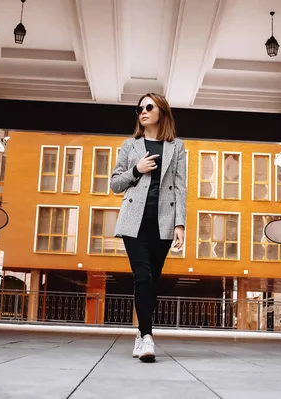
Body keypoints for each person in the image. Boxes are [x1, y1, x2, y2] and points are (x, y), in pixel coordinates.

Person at [110, 93, 187, 363]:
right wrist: (136, 169)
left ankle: (140, 334)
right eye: (139, 108)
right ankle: (147, 337)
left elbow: (180, 186)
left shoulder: (176, 147)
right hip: (134, 221)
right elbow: (115, 183)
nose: (142, 111)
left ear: (161, 111)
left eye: (148, 107)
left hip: (163, 222)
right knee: (142, 276)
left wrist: (180, 223)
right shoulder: (130, 145)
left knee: (152, 281)